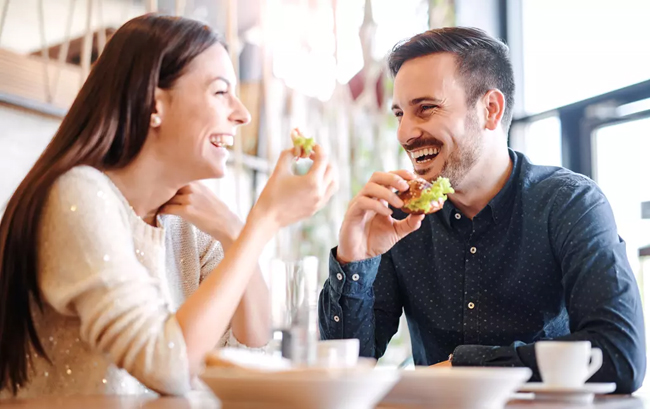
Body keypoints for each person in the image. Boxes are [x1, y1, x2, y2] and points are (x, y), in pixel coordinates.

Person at [0, 15, 337, 397]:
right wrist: (265, 221)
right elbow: (167, 366)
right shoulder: (77, 196)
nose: (242, 114)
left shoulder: (188, 225)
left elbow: (251, 348)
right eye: (220, 92)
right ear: (154, 104)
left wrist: (234, 231)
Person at [318, 27, 645, 393]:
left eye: (426, 108)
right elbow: (340, 373)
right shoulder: (398, 220)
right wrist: (354, 259)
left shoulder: (570, 204)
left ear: (490, 110)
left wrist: (468, 365)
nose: (405, 133)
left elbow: (620, 355)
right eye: (399, 114)